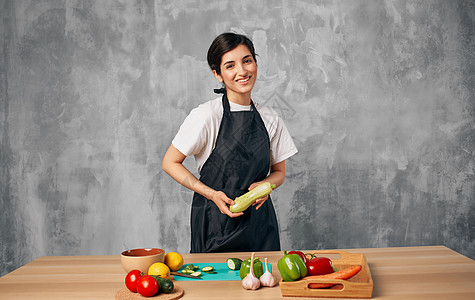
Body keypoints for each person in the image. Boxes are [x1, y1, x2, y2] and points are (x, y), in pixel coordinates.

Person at [162, 32, 297, 253]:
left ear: (255, 63)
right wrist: (211, 194)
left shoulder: (271, 117)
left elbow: (279, 173)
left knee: (263, 284)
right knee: (214, 285)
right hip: (215, 223)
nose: (242, 72)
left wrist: (267, 185)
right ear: (218, 74)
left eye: (247, 61)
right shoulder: (206, 116)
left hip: (260, 224)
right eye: (230, 65)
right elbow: (169, 162)